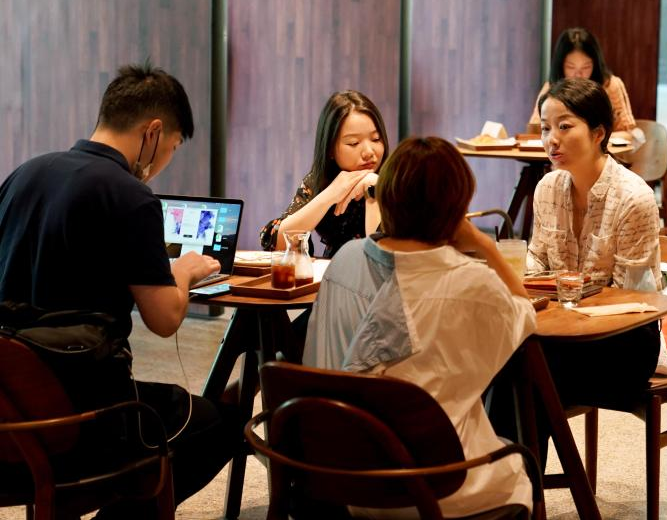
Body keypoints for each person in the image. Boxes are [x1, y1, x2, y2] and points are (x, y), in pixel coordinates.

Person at [0, 63, 235, 517]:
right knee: (215, 423)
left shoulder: (23, 175)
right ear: (153, 132)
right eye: (172, 147)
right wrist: (185, 271)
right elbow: (164, 319)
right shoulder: (129, 195)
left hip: (11, 415)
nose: (166, 160)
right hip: (84, 416)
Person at [303, 137, 536, 518]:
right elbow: (524, 312)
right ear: (457, 208)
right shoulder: (470, 281)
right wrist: (485, 245)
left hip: (345, 479)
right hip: (436, 486)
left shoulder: (345, 259)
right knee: (516, 466)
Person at [528, 77, 661, 448]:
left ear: (599, 132)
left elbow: (631, 299)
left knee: (526, 372)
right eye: (545, 128)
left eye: (564, 126)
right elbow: (536, 263)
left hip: (624, 345)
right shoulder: (547, 188)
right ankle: (519, 477)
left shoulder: (633, 198)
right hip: (559, 335)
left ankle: (523, 479)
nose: (551, 140)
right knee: (506, 363)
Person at [260, 90, 389, 258]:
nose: (369, 152)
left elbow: (382, 258)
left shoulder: (399, 181)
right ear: (330, 150)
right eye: (354, 143)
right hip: (333, 271)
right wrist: (330, 194)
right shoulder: (319, 180)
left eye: (376, 139)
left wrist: (374, 190)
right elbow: (276, 242)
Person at [528, 27, 645, 144]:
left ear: (595, 64)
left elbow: (627, 132)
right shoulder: (552, 88)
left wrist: (591, 140)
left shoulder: (609, 85)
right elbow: (535, 130)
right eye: (570, 67)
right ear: (560, 65)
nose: (578, 75)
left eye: (586, 67)